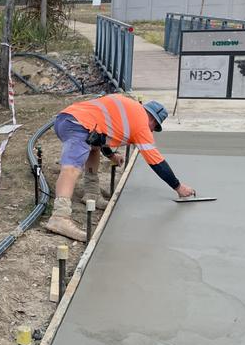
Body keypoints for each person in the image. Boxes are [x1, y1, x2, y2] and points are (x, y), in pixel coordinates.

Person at [43, 94, 195, 241]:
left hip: (68, 118)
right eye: (154, 127)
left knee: (93, 148)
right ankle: (59, 216)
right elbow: (157, 162)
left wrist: (111, 157)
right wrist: (178, 187)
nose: (152, 131)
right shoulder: (141, 125)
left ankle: (91, 194)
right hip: (78, 125)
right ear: (152, 119)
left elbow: (100, 134)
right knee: (71, 168)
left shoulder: (129, 107)